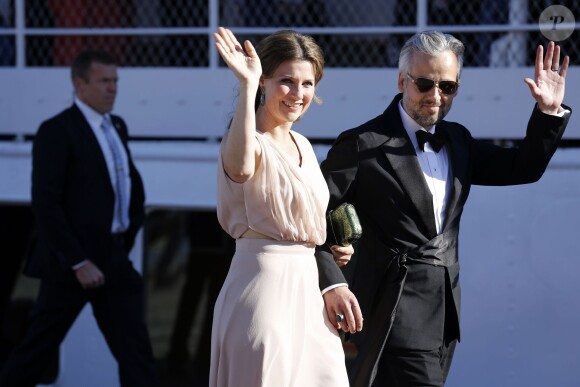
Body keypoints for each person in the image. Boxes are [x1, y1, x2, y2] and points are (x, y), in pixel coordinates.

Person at [315, 30, 571, 387]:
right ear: (402, 81)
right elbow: (310, 212)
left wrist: (547, 112)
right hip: (393, 307)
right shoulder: (363, 145)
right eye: (424, 84)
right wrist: (333, 282)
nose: (435, 96)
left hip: (446, 313)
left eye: (447, 87)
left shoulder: (458, 140)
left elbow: (522, 168)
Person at [209, 27, 362, 387]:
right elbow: (241, 166)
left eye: (308, 83)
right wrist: (246, 87)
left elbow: (308, 223)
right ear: (264, 81)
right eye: (287, 81)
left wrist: (329, 246)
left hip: (309, 294)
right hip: (262, 293)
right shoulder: (246, 140)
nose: (298, 94)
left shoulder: (304, 145)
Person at [0, 49, 160, 387]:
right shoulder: (56, 131)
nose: (112, 88)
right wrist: (78, 260)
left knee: (136, 354)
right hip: (70, 265)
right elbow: (46, 205)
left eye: (115, 81)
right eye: (104, 81)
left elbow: (127, 185)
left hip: (112, 257)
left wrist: (123, 240)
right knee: (36, 351)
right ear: (80, 84)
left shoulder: (117, 125)